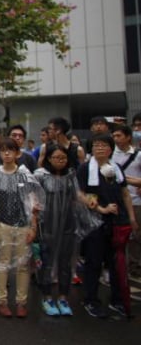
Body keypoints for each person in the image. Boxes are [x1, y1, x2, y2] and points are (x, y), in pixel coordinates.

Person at [77, 133, 138, 318]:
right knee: (94, 262)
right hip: (94, 224)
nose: (100, 148)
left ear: (111, 149)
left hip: (117, 222)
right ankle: (90, 300)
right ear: (91, 149)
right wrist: (101, 209)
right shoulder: (86, 168)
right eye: (96, 145)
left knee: (116, 263)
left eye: (104, 145)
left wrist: (131, 217)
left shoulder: (116, 168)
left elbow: (125, 193)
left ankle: (117, 300)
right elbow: (79, 194)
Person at [0, 138, 44, 318]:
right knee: (2, 264)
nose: (7, 154)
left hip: (24, 226)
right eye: (3, 150)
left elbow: (34, 204)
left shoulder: (25, 176)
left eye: (11, 150)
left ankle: (21, 302)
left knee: (23, 265)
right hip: (2, 225)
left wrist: (33, 227)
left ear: (18, 153)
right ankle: (1, 301)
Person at [34, 144, 83, 316]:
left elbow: (77, 198)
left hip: (68, 224)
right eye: (56, 157)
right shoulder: (40, 175)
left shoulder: (71, 176)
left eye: (63, 158)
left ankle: (63, 297)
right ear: (48, 158)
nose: (60, 161)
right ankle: (47, 297)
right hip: (45, 225)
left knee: (65, 263)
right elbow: (32, 199)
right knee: (46, 262)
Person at [112, 125, 141, 279]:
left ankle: (135, 268)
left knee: (136, 235)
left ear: (128, 137)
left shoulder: (138, 155)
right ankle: (118, 267)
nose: (116, 139)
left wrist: (126, 179)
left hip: (136, 200)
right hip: (116, 201)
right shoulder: (111, 155)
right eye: (114, 136)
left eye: (119, 135)